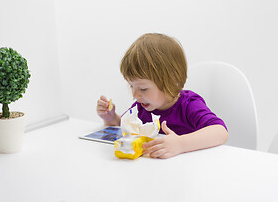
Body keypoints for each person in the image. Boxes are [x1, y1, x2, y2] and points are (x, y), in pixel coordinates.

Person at [97, 33, 229, 159]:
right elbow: (125, 127)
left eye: (143, 88)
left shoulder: (189, 105)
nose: (135, 95)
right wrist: (111, 117)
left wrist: (180, 144)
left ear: (169, 81)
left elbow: (220, 132)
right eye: (131, 86)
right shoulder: (142, 107)